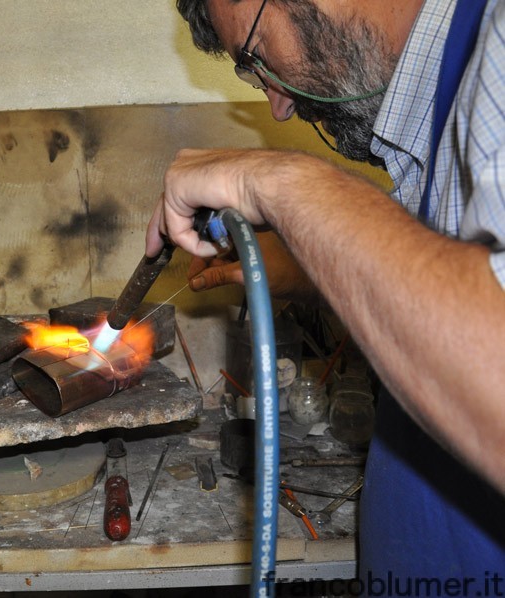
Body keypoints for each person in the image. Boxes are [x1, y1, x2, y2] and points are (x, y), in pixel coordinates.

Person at [148, 0, 505, 586]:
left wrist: (279, 181)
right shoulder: (442, 105)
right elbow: (447, 296)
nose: (280, 105)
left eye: (258, 55)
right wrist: (306, 269)